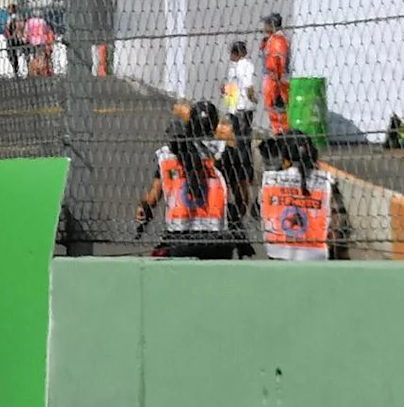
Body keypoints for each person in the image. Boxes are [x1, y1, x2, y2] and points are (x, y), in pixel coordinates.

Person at [136, 100, 242, 258]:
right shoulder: (227, 153)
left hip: (179, 234)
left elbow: (152, 199)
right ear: (214, 126)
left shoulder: (167, 154)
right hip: (215, 236)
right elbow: (242, 198)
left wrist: (143, 208)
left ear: (190, 123)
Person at [259, 134, 339, 262]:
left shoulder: (270, 180)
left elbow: (261, 210)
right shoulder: (326, 181)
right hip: (315, 253)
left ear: (285, 159)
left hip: (277, 250)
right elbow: (336, 222)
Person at [259, 12, 292, 136]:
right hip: (274, 79)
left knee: (277, 108)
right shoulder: (273, 38)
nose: (264, 26)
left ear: (271, 24)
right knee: (274, 108)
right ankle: (279, 131)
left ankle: (281, 133)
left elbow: (277, 61)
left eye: (266, 24)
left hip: (275, 79)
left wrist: (275, 79)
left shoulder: (278, 40)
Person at [222, 39, 257, 145]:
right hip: (235, 105)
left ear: (237, 54)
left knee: (241, 133)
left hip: (240, 107)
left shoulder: (242, 67)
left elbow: (247, 85)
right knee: (242, 133)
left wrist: (251, 98)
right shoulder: (236, 66)